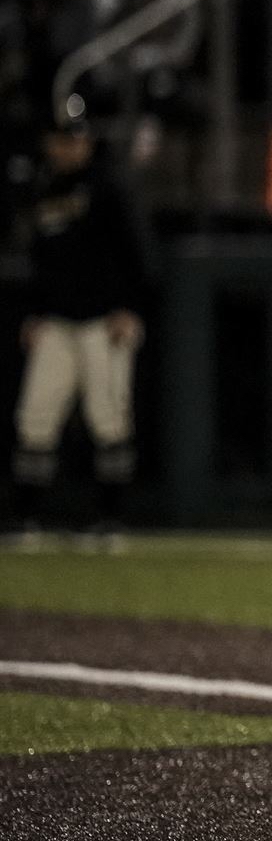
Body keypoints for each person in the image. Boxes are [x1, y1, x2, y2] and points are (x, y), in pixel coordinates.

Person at [12, 104, 152, 528]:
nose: (69, 147)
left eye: (75, 138)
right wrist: (34, 313)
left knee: (108, 417)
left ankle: (110, 517)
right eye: (61, 139)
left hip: (102, 320)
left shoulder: (109, 186)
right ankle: (28, 517)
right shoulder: (44, 189)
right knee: (36, 416)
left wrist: (130, 308)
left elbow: (138, 255)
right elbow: (40, 261)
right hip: (56, 320)